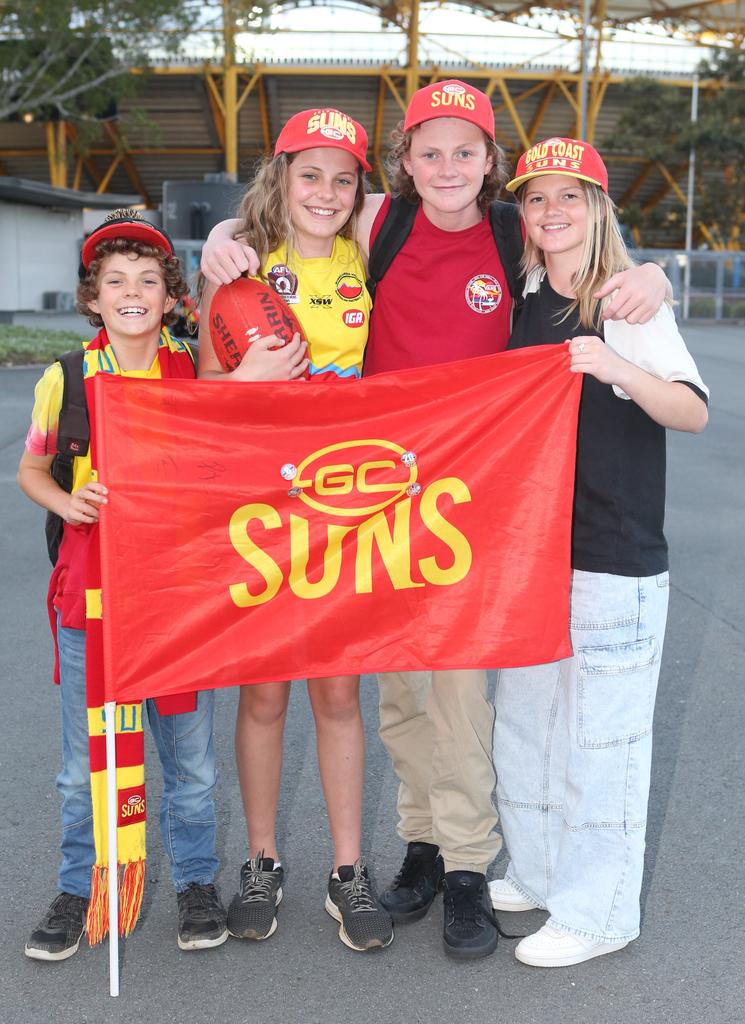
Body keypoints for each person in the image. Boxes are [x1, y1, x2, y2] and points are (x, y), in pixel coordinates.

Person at [200, 82, 671, 959]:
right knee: (399, 684)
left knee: (458, 684)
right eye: (430, 151)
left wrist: (652, 270)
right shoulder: (380, 225)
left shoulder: (508, 230)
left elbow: (590, 241)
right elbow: (286, 208)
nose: (448, 166)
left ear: (491, 164)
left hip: (469, 490)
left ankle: (466, 860)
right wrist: (225, 238)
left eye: (466, 151)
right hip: (374, 490)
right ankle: (419, 839)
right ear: (405, 165)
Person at [491, 138, 708, 967]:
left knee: (602, 742)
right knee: (529, 728)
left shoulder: (628, 302)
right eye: (538, 199)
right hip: (534, 556)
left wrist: (616, 365)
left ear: (597, 207)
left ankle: (601, 911)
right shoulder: (523, 299)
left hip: (614, 553)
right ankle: (543, 873)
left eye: (569, 197)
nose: (553, 213)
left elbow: (689, 412)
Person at [198, 108, 393, 953]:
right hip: (264, 513)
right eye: (307, 174)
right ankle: (262, 860)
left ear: (360, 188)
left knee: (341, 693)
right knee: (266, 692)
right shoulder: (241, 268)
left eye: (342, 176)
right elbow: (203, 393)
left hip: (350, 506)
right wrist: (245, 376)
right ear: (280, 177)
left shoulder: (369, 252)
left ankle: (348, 872)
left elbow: (455, 194)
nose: (325, 191)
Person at [18, 211, 227, 959]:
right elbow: (32, 470)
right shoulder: (67, 377)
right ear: (92, 297)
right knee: (85, 768)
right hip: (94, 602)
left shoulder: (190, 371)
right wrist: (67, 500)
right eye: (115, 281)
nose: (132, 292)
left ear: (171, 296)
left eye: (148, 280)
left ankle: (197, 885)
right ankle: (80, 887)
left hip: (177, 605)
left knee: (191, 765)